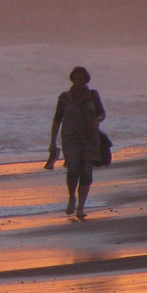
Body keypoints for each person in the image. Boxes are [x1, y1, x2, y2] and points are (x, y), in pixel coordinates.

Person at [48, 66, 105, 220]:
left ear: (86, 80)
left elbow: (102, 113)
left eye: (81, 78)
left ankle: (81, 207)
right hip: (70, 139)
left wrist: (97, 120)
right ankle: (72, 197)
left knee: (86, 172)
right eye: (75, 78)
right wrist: (52, 142)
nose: (78, 81)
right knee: (73, 170)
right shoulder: (65, 98)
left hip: (90, 139)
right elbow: (57, 120)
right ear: (72, 79)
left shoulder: (93, 95)